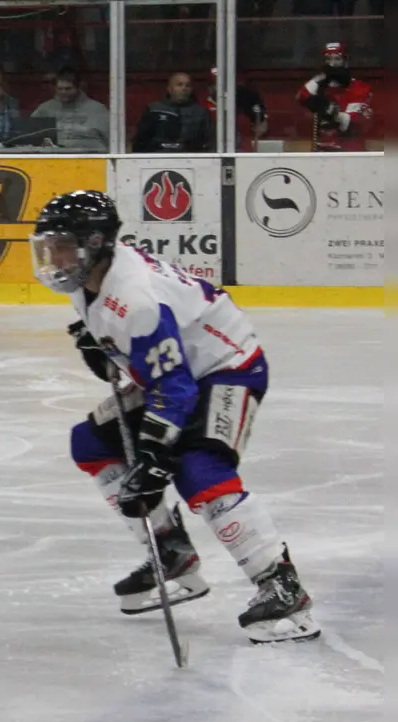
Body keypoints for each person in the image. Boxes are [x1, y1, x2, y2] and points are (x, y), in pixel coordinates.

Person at [31, 191, 318, 643]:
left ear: (97, 243)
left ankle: (281, 585)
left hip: (229, 368)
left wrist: (153, 455)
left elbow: (174, 387)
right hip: (181, 373)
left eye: (63, 244)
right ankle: (171, 550)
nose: (54, 256)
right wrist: (102, 353)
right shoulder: (88, 280)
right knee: (90, 443)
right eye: (50, 245)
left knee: (199, 470)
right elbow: (141, 365)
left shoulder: (135, 297)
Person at [296, 41, 375, 151]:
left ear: (345, 62)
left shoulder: (360, 88)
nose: (332, 64)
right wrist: (319, 78)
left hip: (350, 152)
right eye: (328, 59)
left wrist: (331, 111)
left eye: (337, 59)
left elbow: (354, 123)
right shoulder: (320, 86)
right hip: (322, 151)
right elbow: (301, 96)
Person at [132, 71, 214, 153]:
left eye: (188, 85)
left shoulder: (201, 112)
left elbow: (209, 142)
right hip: (156, 158)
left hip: (191, 158)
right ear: (169, 88)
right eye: (179, 85)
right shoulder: (153, 109)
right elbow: (140, 141)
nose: (184, 88)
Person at [31, 67, 109, 151]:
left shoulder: (97, 109)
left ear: (78, 87)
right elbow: (30, 135)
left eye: (68, 89)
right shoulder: (45, 108)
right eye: (60, 89)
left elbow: (110, 140)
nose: (63, 92)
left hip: (91, 158)